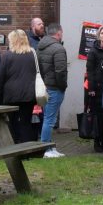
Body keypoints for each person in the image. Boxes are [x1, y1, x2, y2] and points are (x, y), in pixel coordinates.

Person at [0, 29, 39, 145]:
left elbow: (1, 78)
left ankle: (14, 148)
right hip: (29, 95)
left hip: (11, 95)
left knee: (12, 123)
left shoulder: (7, 56)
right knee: (26, 122)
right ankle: (28, 149)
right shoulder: (33, 54)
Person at [35, 23, 67, 157]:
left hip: (45, 86)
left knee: (47, 118)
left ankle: (48, 146)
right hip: (55, 88)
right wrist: (62, 86)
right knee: (50, 119)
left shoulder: (40, 47)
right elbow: (60, 71)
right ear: (58, 33)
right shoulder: (58, 48)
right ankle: (46, 149)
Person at [84, 26, 103, 153]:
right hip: (98, 87)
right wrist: (91, 88)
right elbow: (89, 71)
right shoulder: (93, 51)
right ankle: (97, 141)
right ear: (99, 35)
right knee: (98, 117)